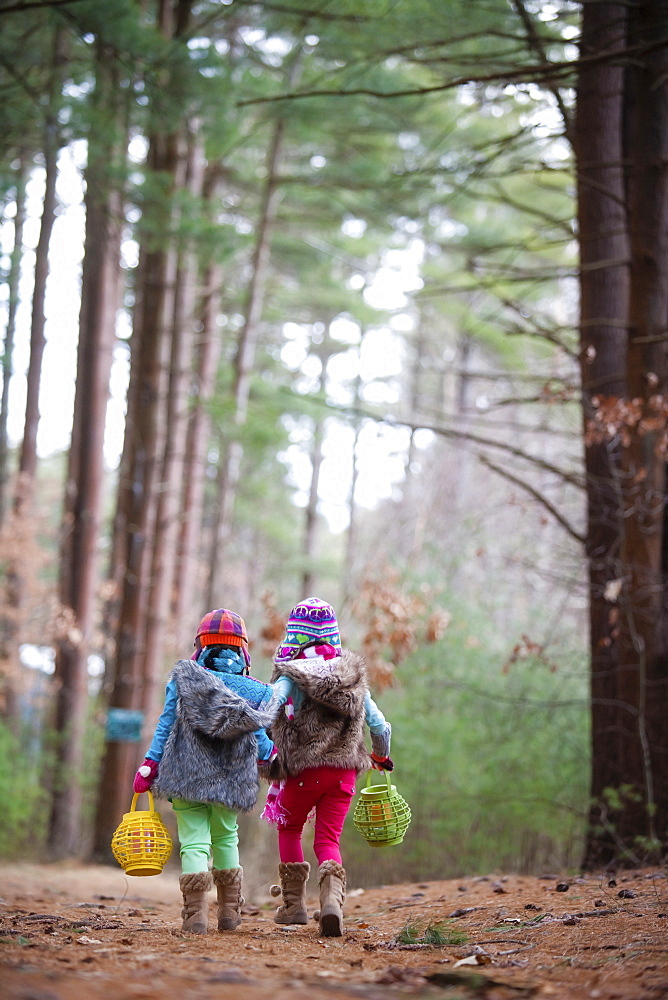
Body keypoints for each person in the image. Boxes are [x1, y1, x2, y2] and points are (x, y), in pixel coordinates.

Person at [133, 608, 277, 935]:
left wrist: (150, 764)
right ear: (242, 649)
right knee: (226, 837)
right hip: (232, 778)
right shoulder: (255, 691)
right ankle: (229, 914)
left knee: (194, 842)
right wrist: (271, 754)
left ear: (200, 646)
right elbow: (256, 732)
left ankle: (195, 916)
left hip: (186, 773)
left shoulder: (183, 680)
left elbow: (166, 725)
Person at [262, 597, 393, 937]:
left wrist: (263, 737)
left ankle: (293, 907)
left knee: (290, 829)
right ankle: (332, 901)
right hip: (344, 773)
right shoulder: (353, 677)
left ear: (296, 634)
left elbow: (270, 705)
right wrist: (380, 755)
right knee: (328, 839)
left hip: (304, 770)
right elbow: (380, 727)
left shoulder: (291, 674)